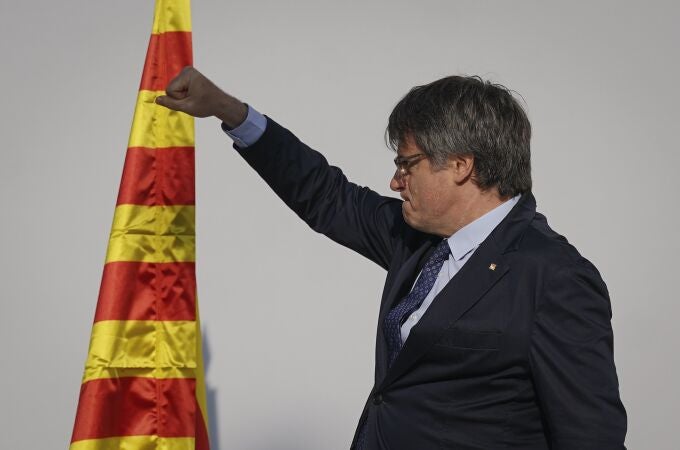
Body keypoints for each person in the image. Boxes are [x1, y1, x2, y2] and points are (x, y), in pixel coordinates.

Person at [156, 67, 627, 449]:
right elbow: (325, 195)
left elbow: (591, 438)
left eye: (407, 164)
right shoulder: (416, 238)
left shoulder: (555, 277)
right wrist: (229, 111)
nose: (396, 181)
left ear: (461, 165)